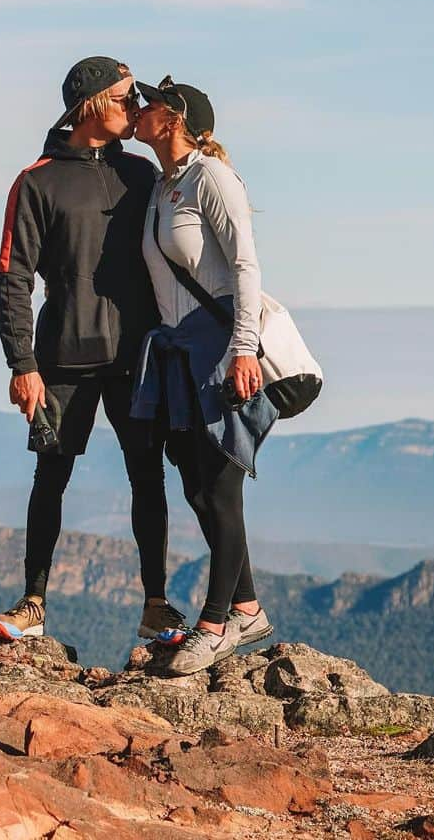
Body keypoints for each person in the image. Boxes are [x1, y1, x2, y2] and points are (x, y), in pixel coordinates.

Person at [0, 57, 189, 645]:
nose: (136, 109)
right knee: (51, 477)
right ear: (95, 103)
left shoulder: (143, 176)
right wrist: (21, 364)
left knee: (147, 477)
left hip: (139, 356)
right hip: (62, 356)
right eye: (127, 99)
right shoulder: (38, 181)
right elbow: (13, 276)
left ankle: (156, 605)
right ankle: (33, 603)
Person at [130, 76, 279, 676]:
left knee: (220, 487)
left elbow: (245, 264)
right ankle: (247, 606)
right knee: (195, 484)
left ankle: (217, 626)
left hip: (217, 345)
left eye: (149, 103)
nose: (138, 110)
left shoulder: (209, 178)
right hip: (177, 350)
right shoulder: (164, 186)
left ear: (173, 118)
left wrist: (244, 350)